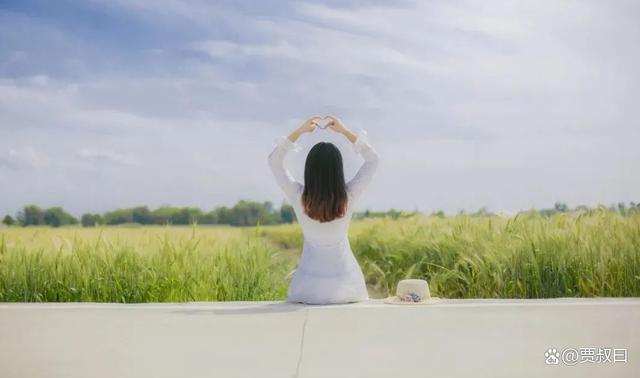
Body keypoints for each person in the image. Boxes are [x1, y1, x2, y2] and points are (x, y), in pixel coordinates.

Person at [268, 115, 380, 304]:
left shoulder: (298, 196)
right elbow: (373, 160)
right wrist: (345, 132)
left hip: (307, 289)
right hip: (348, 288)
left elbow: (274, 161)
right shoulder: (349, 196)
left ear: (309, 170)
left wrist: (300, 131)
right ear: (338, 170)